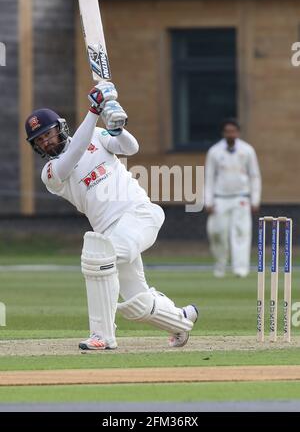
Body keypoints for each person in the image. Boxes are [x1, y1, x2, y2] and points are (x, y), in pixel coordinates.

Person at [25, 82, 198, 350]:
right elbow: (75, 154)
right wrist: (95, 109)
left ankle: (102, 336)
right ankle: (182, 320)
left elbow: (130, 148)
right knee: (138, 303)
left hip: (139, 215)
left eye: (48, 134)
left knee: (97, 257)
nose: (46, 142)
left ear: (60, 128)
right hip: (111, 231)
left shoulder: (95, 135)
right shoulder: (51, 173)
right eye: (39, 140)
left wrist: (118, 128)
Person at [205, 120, 261, 278]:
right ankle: (220, 265)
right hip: (220, 198)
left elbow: (255, 176)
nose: (231, 134)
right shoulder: (215, 151)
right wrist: (208, 201)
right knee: (217, 232)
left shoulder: (247, 150)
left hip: (241, 197)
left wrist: (255, 199)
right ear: (223, 133)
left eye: (233, 131)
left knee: (241, 232)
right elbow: (209, 177)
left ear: (238, 132)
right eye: (228, 131)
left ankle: (240, 269)